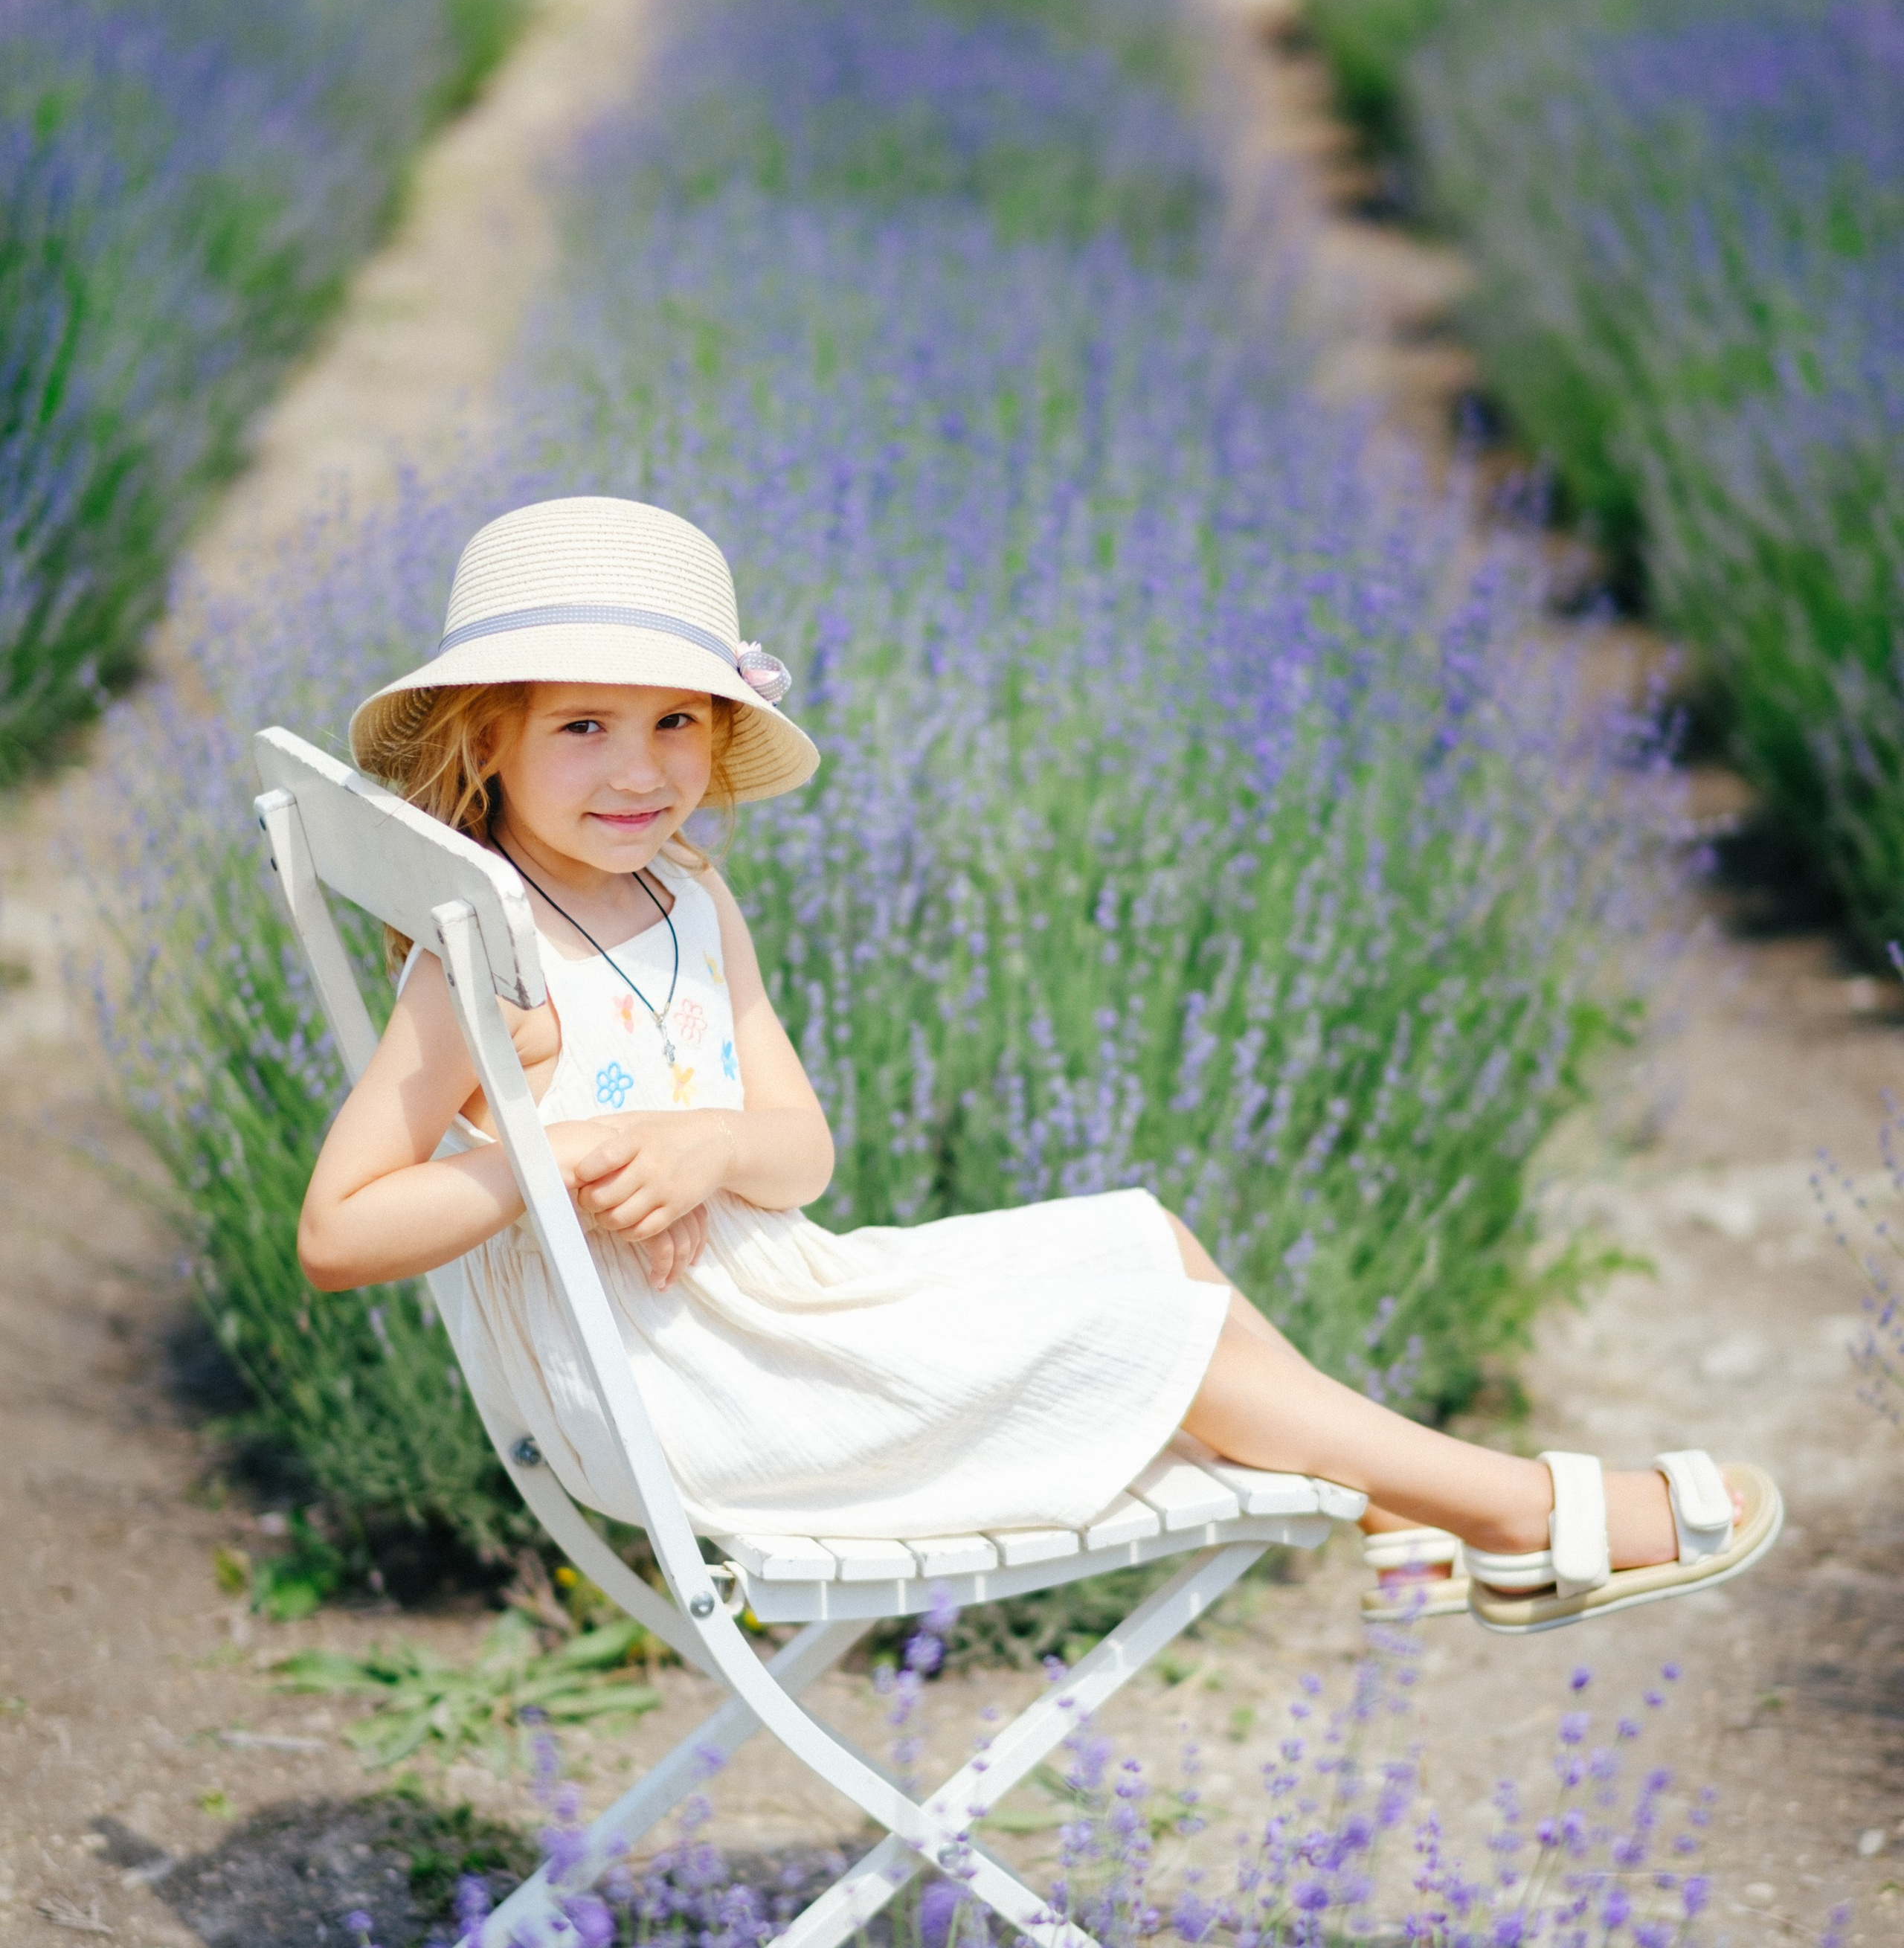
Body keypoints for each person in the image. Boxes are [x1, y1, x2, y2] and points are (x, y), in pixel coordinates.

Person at [298, 495, 1781, 1633]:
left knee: (1145, 1243)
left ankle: (1406, 1514)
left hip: (780, 1304)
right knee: (1154, 1329)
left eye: (676, 721)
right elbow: (336, 1232)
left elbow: (798, 1151)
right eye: (582, 728)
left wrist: (704, 1143)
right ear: (486, 745)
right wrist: (530, 1159)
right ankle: (1513, 1510)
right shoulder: (480, 965)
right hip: (693, 1397)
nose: (639, 770)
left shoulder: (690, 900)